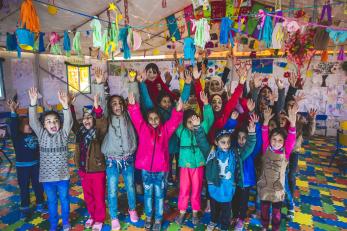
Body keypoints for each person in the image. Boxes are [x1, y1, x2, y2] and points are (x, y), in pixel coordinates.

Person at [128, 92, 183, 231]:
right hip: (146, 170)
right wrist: (133, 105)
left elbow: (173, 122)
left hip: (159, 171)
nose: (153, 121)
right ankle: (148, 217)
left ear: (160, 119)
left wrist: (178, 111)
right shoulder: (143, 129)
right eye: (151, 119)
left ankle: (158, 219)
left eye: (156, 118)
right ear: (147, 120)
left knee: (159, 196)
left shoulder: (164, 131)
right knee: (148, 195)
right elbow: (136, 118)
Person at [93, 67, 139, 230]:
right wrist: (99, 84)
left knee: (130, 187)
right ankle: (113, 217)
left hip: (128, 158)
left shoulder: (129, 115)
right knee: (112, 189)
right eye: (114, 103)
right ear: (110, 106)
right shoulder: (107, 117)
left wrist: (133, 82)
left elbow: (135, 100)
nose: (118, 105)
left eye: (120, 103)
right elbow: (102, 103)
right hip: (112, 160)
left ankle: (132, 209)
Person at [194, 114, 256, 231]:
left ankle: (224, 226)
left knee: (226, 210)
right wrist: (198, 127)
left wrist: (252, 135)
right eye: (223, 142)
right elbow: (202, 142)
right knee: (214, 207)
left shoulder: (235, 154)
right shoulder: (211, 153)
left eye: (228, 142)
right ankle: (213, 221)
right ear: (216, 143)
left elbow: (248, 148)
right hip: (214, 187)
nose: (226, 145)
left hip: (227, 189)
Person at [28, 87, 73, 231]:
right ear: (44, 125)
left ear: (59, 124)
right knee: (52, 202)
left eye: (55, 121)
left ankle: (65, 221)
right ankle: (54, 224)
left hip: (62, 177)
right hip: (47, 178)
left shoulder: (63, 134)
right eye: (48, 121)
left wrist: (66, 106)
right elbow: (33, 122)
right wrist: (33, 103)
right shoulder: (41, 135)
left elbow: (68, 122)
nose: (53, 124)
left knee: (64, 200)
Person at [175, 92, 214, 226]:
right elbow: (175, 121)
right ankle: (182, 211)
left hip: (198, 165)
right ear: (185, 123)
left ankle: (196, 212)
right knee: (184, 189)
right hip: (185, 166)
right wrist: (180, 110)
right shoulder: (181, 131)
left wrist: (207, 105)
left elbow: (209, 119)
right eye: (189, 122)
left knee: (197, 189)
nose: (192, 124)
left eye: (195, 120)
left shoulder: (201, 129)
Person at [70, 94, 107, 231]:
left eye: (90, 117)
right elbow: (72, 122)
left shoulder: (99, 132)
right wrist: (70, 107)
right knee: (88, 196)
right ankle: (92, 215)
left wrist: (97, 109)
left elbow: (102, 123)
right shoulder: (79, 132)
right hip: (83, 170)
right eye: (85, 118)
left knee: (98, 196)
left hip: (97, 170)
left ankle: (99, 218)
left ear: (94, 120)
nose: (86, 120)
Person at [257, 106, 297, 231]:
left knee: (276, 213)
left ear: (284, 142)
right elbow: (264, 134)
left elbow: (291, 139)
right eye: (274, 139)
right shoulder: (266, 148)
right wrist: (265, 121)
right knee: (264, 210)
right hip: (265, 186)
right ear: (270, 140)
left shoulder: (286, 152)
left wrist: (293, 123)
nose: (276, 142)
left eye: (280, 140)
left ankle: (275, 228)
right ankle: (264, 226)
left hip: (278, 189)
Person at [7, 99, 45, 220]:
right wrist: (13, 112)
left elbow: (38, 122)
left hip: (35, 166)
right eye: (26, 124)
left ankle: (40, 204)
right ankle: (25, 208)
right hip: (22, 167)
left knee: (38, 186)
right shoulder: (17, 137)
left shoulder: (35, 134)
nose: (29, 126)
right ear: (21, 127)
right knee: (24, 188)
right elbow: (13, 126)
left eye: (30, 124)